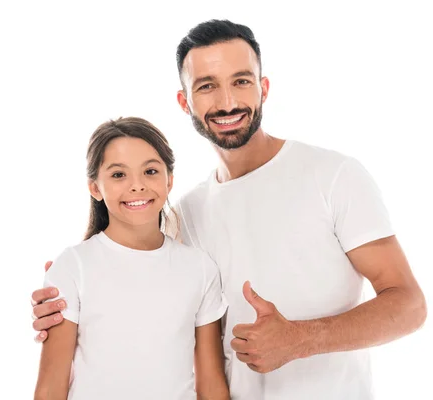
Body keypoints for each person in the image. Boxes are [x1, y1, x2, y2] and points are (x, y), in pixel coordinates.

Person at [31, 20, 427, 399]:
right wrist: (66, 297)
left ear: (263, 88)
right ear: (185, 101)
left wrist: (300, 339)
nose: (227, 102)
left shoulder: (334, 175)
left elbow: (409, 305)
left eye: (241, 81)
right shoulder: (185, 213)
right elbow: (138, 291)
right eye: (207, 86)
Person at [33, 117, 230, 400]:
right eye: (118, 175)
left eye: (150, 171)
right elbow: (51, 386)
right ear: (95, 188)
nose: (137, 186)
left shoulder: (199, 269)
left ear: (169, 180)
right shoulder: (73, 267)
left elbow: (211, 383)